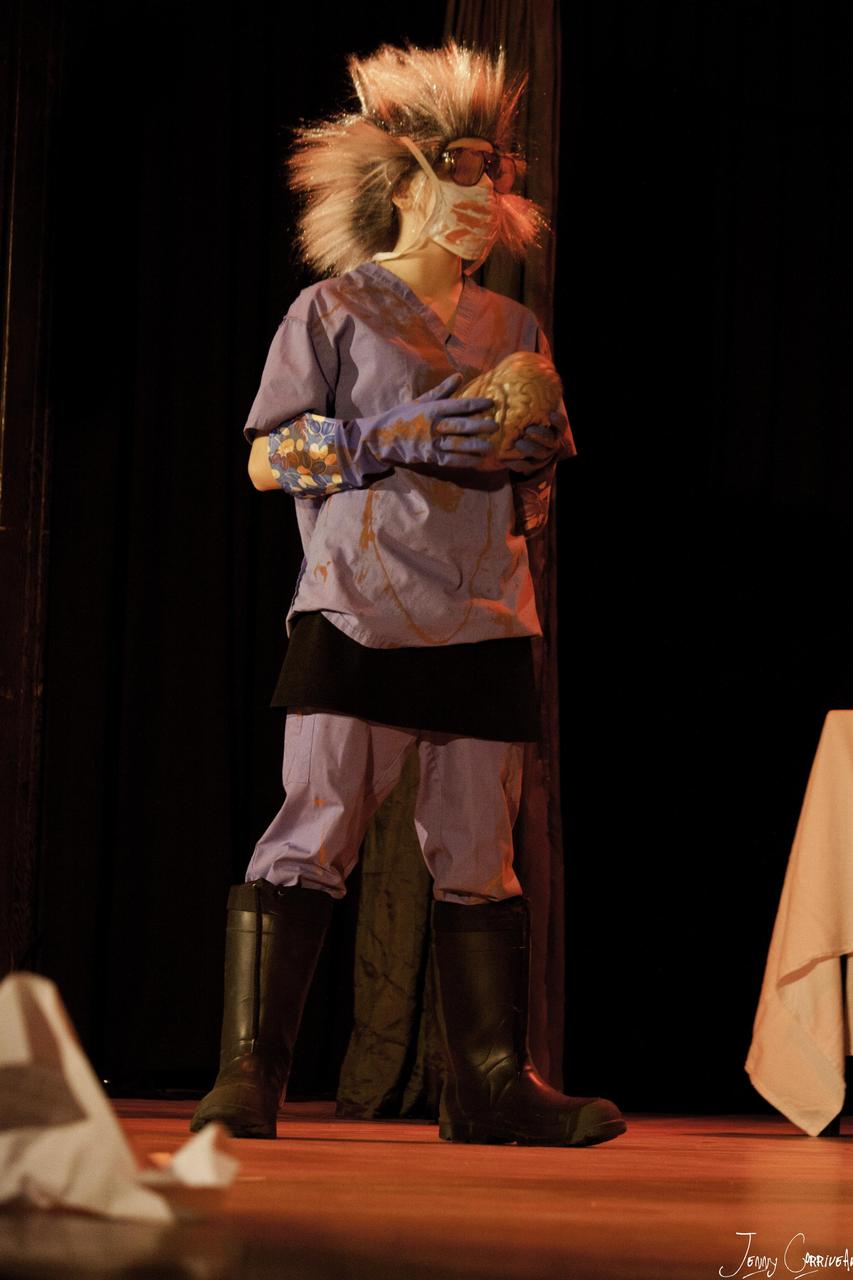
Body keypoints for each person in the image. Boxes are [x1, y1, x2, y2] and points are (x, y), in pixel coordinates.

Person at [191, 41, 626, 1148]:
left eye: (497, 172)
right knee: (312, 831)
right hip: (359, 608)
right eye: (460, 169)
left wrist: (530, 461)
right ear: (405, 178)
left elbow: (537, 489)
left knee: (480, 856)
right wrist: (382, 437)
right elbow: (262, 460)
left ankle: (488, 1083)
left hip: (484, 613)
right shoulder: (332, 311)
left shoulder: (514, 329)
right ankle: (252, 1072)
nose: (484, 193)